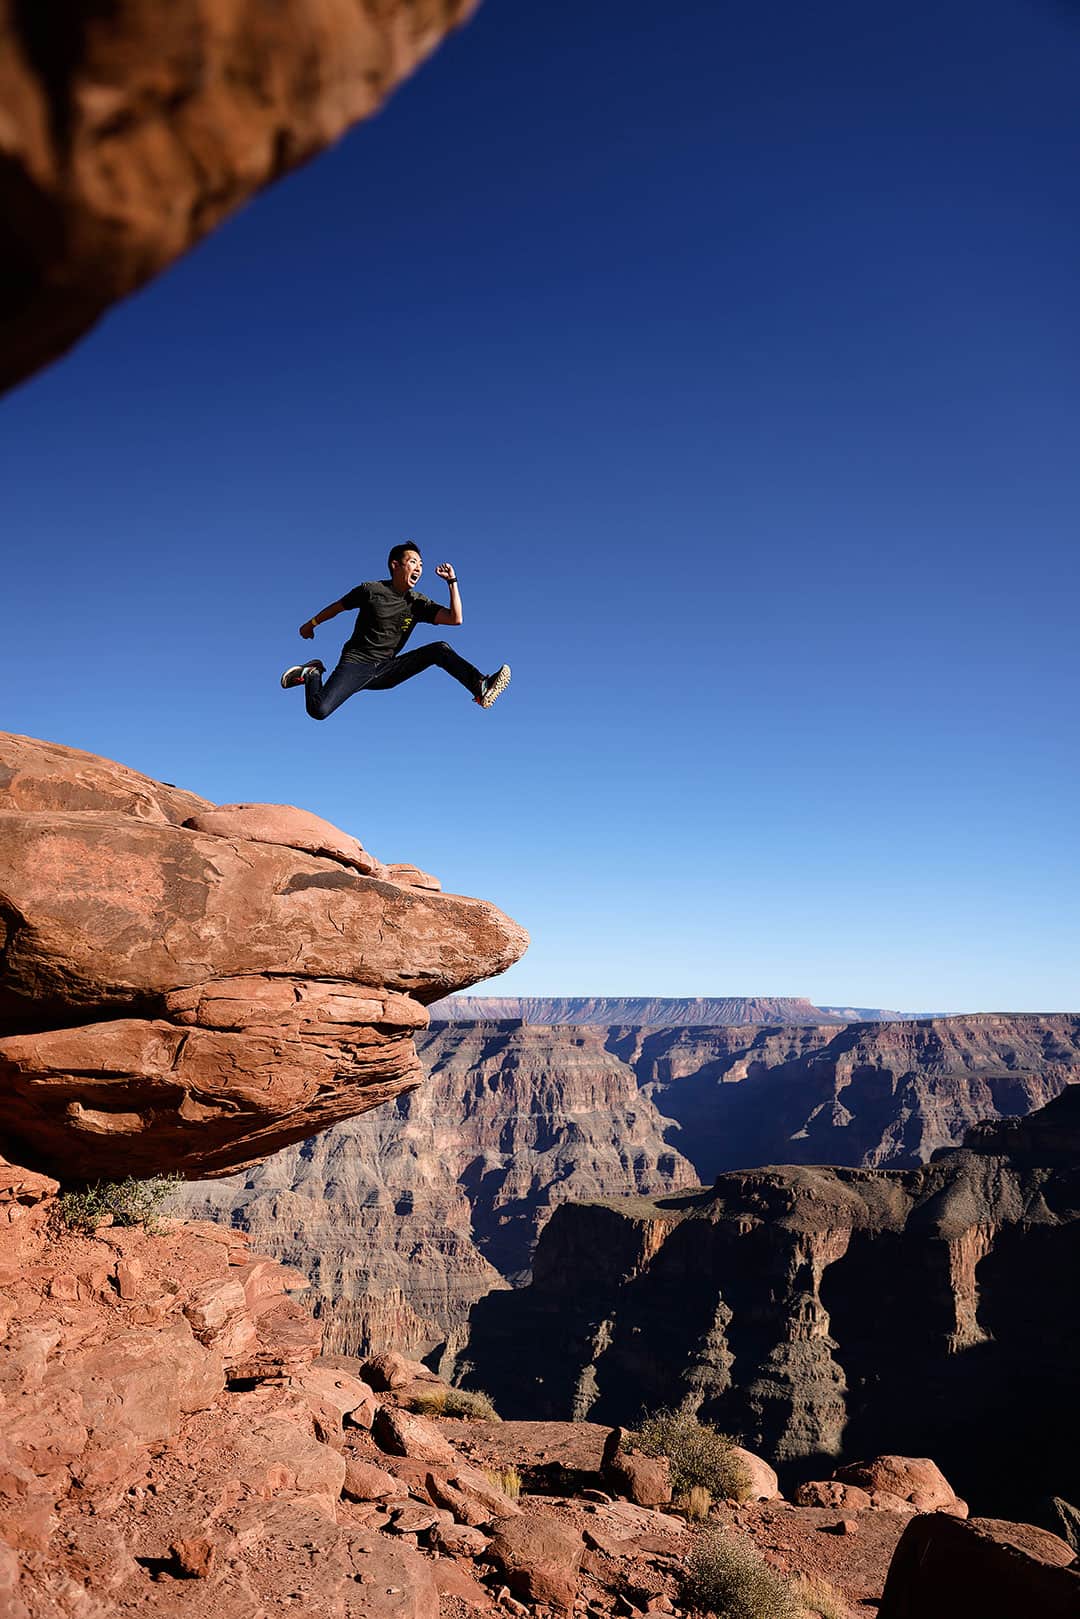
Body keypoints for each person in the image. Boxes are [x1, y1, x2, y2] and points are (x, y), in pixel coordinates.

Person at [280, 542, 511, 721]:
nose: (419, 568)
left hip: (387, 669)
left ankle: (480, 686)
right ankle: (313, 673)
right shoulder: (371, 590)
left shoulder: (418, 603)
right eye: (412, 562)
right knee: (319, 710)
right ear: (395, 565)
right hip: (356, 664)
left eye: (421, 564)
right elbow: (338, 607)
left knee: (439, 650)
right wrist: (311, 624)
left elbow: (455, 619)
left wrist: (452, 582)